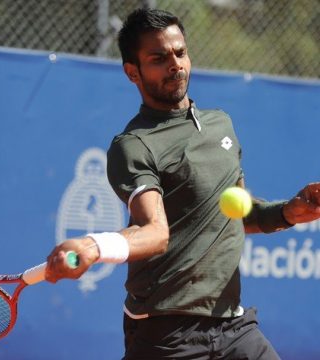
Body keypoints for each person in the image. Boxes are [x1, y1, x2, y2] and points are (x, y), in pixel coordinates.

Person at [45, 8, 320, 360]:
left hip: (232, 325)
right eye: (158, 58)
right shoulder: (134, 144)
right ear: (133, 72)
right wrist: (94, 245)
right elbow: (155, 232)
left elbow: (234, 216)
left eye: (180, 52)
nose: (175, 64)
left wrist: (287, 212)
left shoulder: (221, 125)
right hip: (166, 332)